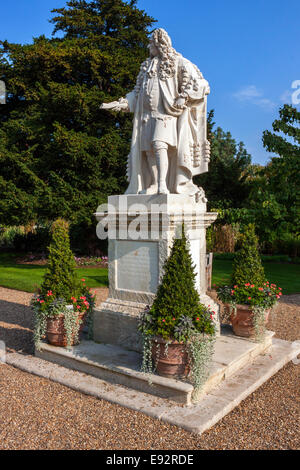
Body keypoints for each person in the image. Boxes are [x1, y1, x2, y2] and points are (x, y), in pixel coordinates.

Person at [101, 28, 210, 199]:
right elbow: (137, 94)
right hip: (146, 117)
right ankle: (153, 184)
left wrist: (184, 96)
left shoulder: (178, 62)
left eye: (151, 43)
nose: (148, 45)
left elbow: (200, 83)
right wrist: (120, 103)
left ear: (160, 44)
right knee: (148, 150)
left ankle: (162, 184)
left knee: (159, 145)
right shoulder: (146, 66)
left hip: (167, 114)